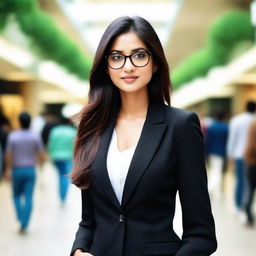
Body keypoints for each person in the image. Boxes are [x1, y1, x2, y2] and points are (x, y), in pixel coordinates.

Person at [70, 16, 217, 256]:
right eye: (117, 57)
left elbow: (201, 235)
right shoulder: (93, 126)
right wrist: (78, 251)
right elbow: (88, 221)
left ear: (155, 62)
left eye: (139, 55)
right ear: (106, 67)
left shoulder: (180, 126)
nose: (128, 66)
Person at [4, 112, 44, 233]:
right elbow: (40, 153)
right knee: (28, 196)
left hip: (17, 170)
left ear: (19, 122)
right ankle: (25, 223)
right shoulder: (35, 136)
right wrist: (41, 166)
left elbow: (9, 154)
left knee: (16, 195)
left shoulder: (13, 136)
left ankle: (20, 217)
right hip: (30, 170)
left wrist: (7, 169)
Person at [226, 101, 256, 215]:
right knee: (250, 183)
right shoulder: (254, 121)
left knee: (240, 181)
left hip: (239, 155)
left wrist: (230, 155)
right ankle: (247, 206)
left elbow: (232, 138)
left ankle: (238, 205)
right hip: (253, 156)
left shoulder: (237, 120)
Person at [47, 117, 76, 204]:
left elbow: (50, 144)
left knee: (60, 175)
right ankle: (63, 196)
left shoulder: (55, 131)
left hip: (56, 157)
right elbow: (75, 145)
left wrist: (50, 154)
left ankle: (61, 195)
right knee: (64, 177)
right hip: (67, 157)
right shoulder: (72, 131)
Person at [205, 111, 228, 198]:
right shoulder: (225, 127)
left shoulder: (211, 127)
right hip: (221, 153)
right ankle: (210, 190)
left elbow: (207, 141)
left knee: (215, 172)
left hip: (212, 152)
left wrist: (206, 154)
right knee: (217, 173)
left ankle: (217, 193)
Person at [244, 120, 256, 227]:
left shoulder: (253, 124)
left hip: (252, 162)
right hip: (252, 161)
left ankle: (249, 217)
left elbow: (250, 145)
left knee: (250, 190)